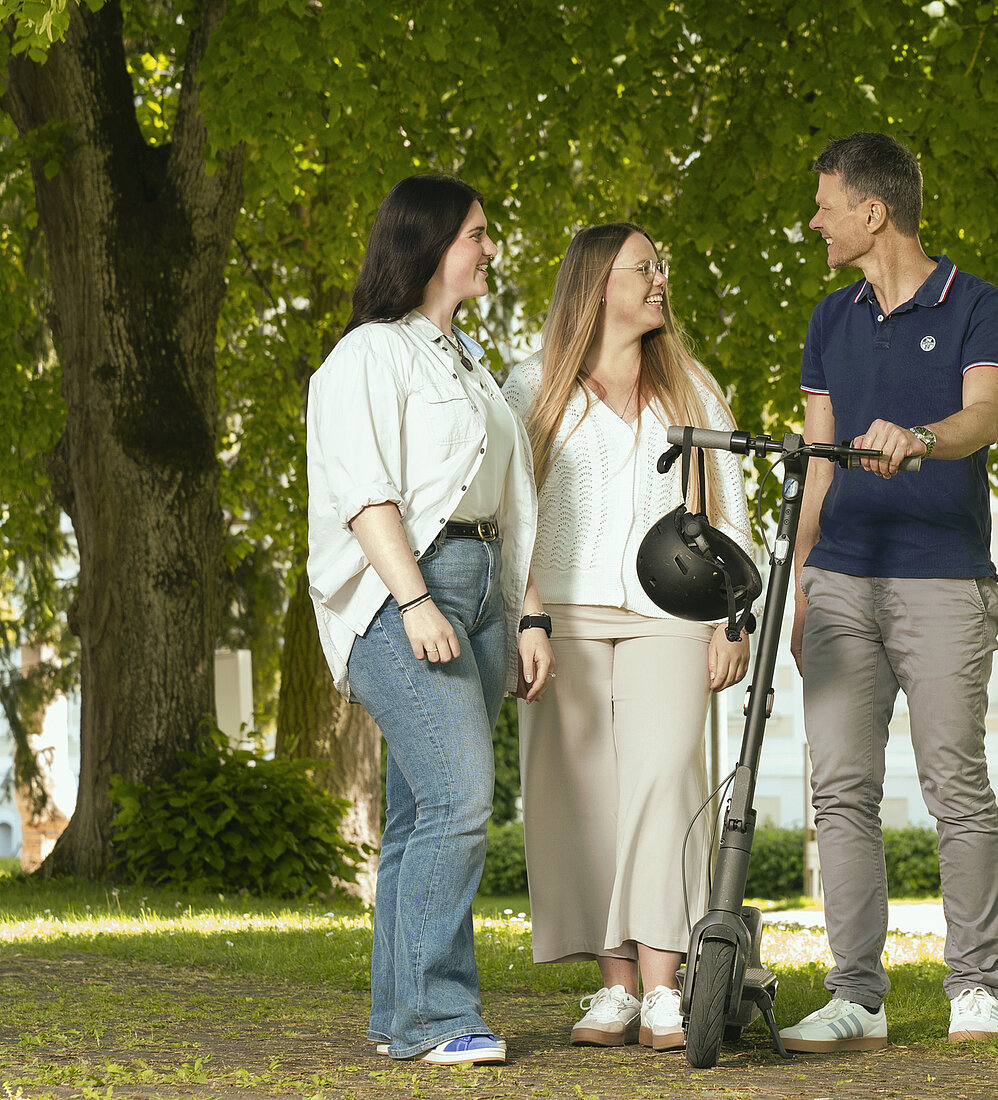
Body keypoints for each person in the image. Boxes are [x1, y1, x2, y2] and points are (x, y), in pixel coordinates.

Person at [305, 175, 554, 1065]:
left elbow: (512, 501)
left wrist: (530, 615)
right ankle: (439, 1016)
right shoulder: (368, 355)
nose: (490, 248)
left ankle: (397, 1019)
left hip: (486, 585)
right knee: (458, 798)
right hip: (404, 589)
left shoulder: (470, 360)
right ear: (432, 241)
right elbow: (363, 491)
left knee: (418, 814)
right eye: (478, 234)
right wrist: (412, 599)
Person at [784, 132, 998, 1051]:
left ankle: (974, 987)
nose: (816, 221)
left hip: (943, 579)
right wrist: (799, 581)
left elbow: (984, 413)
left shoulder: (975, 302)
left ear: (872, 213)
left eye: (826, 204)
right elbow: (815, 463)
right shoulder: (829, 318)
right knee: (840, 789)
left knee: (955, 784)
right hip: (841, 578)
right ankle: (858, 997)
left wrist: (920, 435)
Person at [503, 222, 754, 1052]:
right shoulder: (530, 388)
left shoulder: (692, 388)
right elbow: (508, 518)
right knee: (579, 799)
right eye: (644, 267)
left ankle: (663, 990)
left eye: (660, 265)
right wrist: (524, 615)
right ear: (596, 284)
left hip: (672, 619)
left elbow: (730, 510)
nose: (659, 278)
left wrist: (733, 618)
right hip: (561, 619)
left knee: (664, 783)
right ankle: (612, 989)